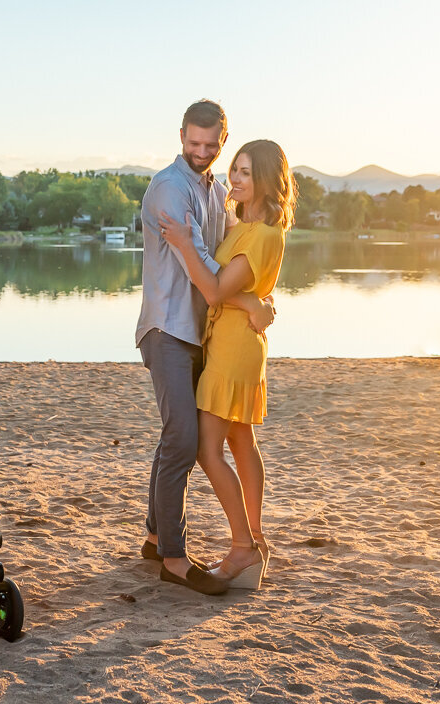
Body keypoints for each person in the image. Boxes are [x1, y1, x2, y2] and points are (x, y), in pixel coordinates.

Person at [136, 99, 275, 595]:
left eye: (210, 145)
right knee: (182, 440)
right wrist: (251, 301)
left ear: (221, 139)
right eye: (193, 143)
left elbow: (232, 254)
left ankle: (155, 535)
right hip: (169, 329)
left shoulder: (216, 192)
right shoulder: (169, 190)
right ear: (180, 136)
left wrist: (256, 296)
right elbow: (203, 267)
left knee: (177, 435)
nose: (201, 151)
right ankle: (173, 557)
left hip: (205, 334)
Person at [159, 139, 296, 589]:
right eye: (233, 169)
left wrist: (182, 242)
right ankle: (255, 540)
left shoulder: (262, 235)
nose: (234, 179)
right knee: (240, 441)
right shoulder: (241, 227)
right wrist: (255, 301)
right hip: (234, 338)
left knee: (207, 449)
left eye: (245, 173)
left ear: (265, 183)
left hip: (235, 347)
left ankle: (242, 547)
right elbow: (232, 289)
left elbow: (214, 290)